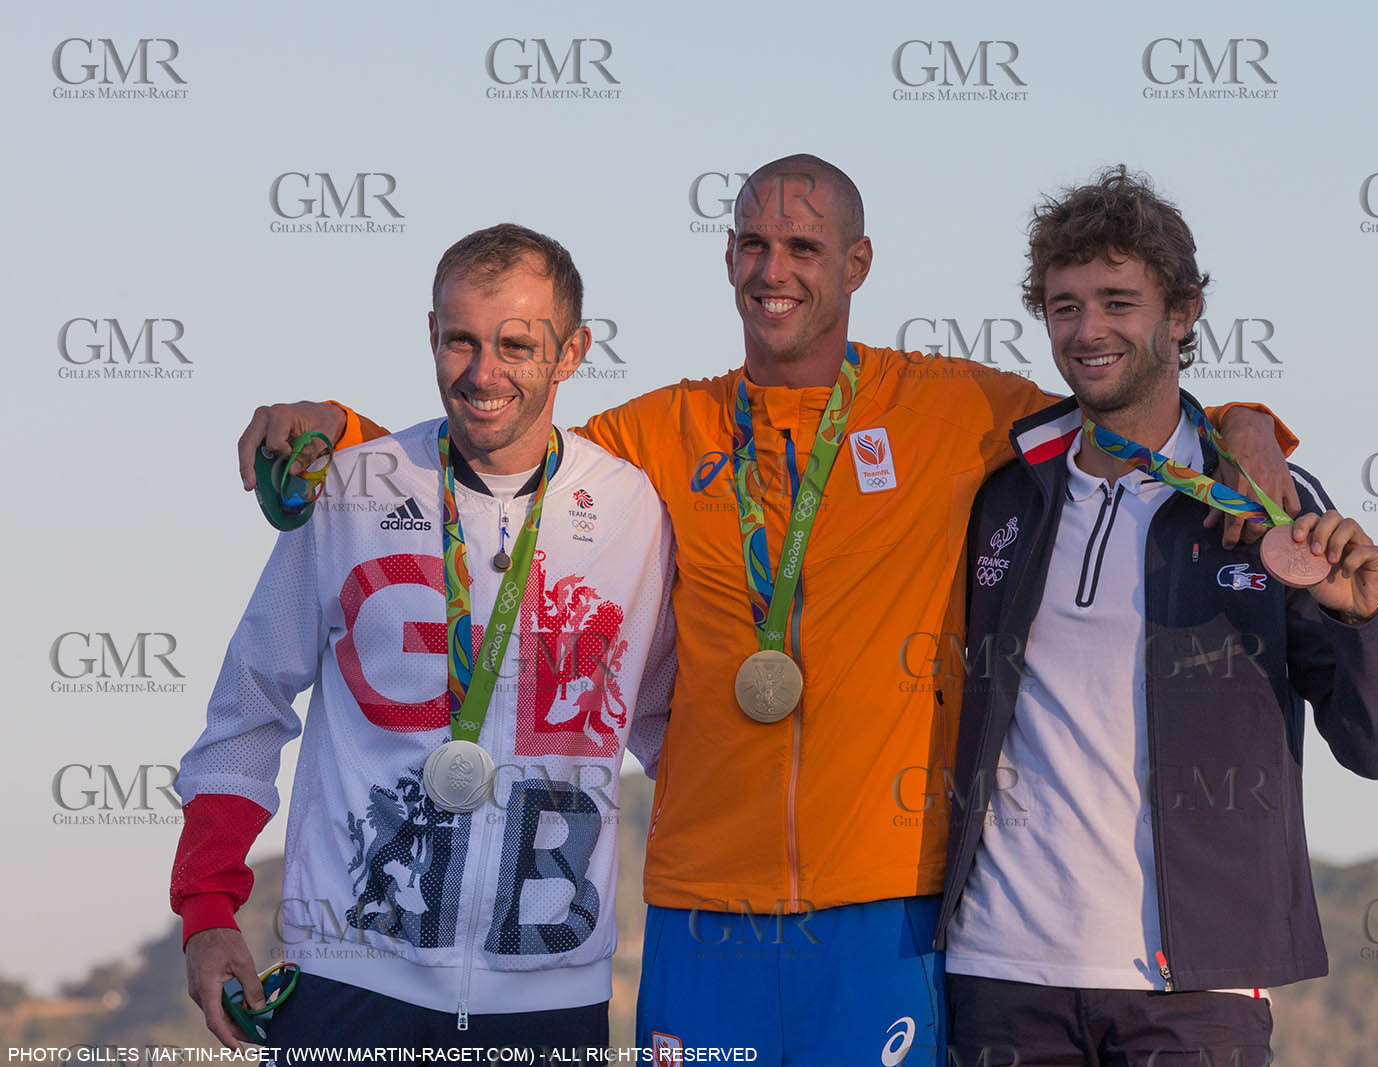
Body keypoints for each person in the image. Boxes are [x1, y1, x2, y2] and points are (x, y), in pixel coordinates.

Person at [236, 155, 1299, 1066]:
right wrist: (336, 426)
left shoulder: (955, 410)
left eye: (801, 246)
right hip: (703, 915)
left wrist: (1244, 423)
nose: (772, 268)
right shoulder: (657, 432)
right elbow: (495, 460)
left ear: (856, 264)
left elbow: (1121, 409)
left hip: (885, 915)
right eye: (751, 243)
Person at [937, 166, 1378, 1066]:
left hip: (1193, 993)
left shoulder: (1269, 501)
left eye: (1119, 301)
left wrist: (1356, 619)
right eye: (1064, 305)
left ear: (1182, 312)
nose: (1089, 330)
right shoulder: (1000, 489)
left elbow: (1376, 745)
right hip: (998, 975)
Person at [174, 224, 676, 1062]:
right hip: (350, 983)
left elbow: (670, 732)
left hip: (551, 1001)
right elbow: (248, 704)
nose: (483, 373)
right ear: (431, 336)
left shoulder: (635, 511)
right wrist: (207, 907)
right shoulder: (353, 486)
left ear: (573, 352)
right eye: (460, 341)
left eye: (517, 344)